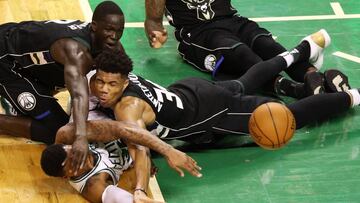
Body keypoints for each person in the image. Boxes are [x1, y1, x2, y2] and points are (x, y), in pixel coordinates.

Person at [89, 30, 359, 147]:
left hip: (207, 111)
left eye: (109, 83)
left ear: (123, 82)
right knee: (244, 83)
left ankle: (353, 96)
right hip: (190, 90)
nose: (101, 88)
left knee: (285, 118)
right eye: (98, 82)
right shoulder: (120, 74)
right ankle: (302, 49)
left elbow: (139, 145)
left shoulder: (128, 108)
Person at [0, 1, 125, 172]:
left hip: (27, 59)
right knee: (58, 131)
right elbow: (79, 95)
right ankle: (14, 103)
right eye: (109, 30)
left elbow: (125, 82)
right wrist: (81, 136)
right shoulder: (75, 49)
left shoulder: (111, 46)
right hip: (6, 61)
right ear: (94, 26)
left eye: (119, 31)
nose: (114, 36)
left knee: (56, 87)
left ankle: (19, 102)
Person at [144, 0, 350, 98]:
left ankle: (313, 76)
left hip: (233, 20)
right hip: (198, 33)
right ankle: (296, 89)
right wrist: (155, 32)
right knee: (242, 54)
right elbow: (153, 21)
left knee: (266, 44)